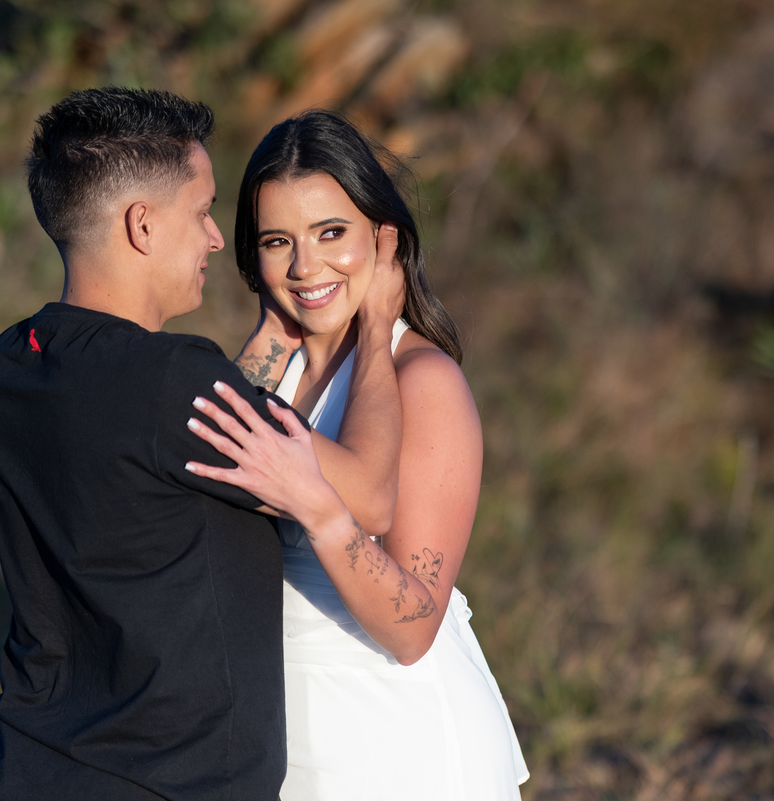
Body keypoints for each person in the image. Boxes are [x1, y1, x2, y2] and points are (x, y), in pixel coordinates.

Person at [0, 89, 405, 800]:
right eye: (201, 212)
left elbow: (162, 442)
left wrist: (271, 335)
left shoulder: (3, 369)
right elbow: (371, 497)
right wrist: (379, 331)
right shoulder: (171, 379)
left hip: (29, 772)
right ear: (142, 225)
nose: (213, 238)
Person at [183, 111, 529, 801]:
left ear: (382, 235)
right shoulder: (273, 373)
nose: (306, 266)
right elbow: (208, 462)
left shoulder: (422, 381)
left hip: (398, 745)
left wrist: (374, 332)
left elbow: (414, 629)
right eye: (278, 242)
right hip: (287, 743)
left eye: (331, 233)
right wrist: (273, 328)